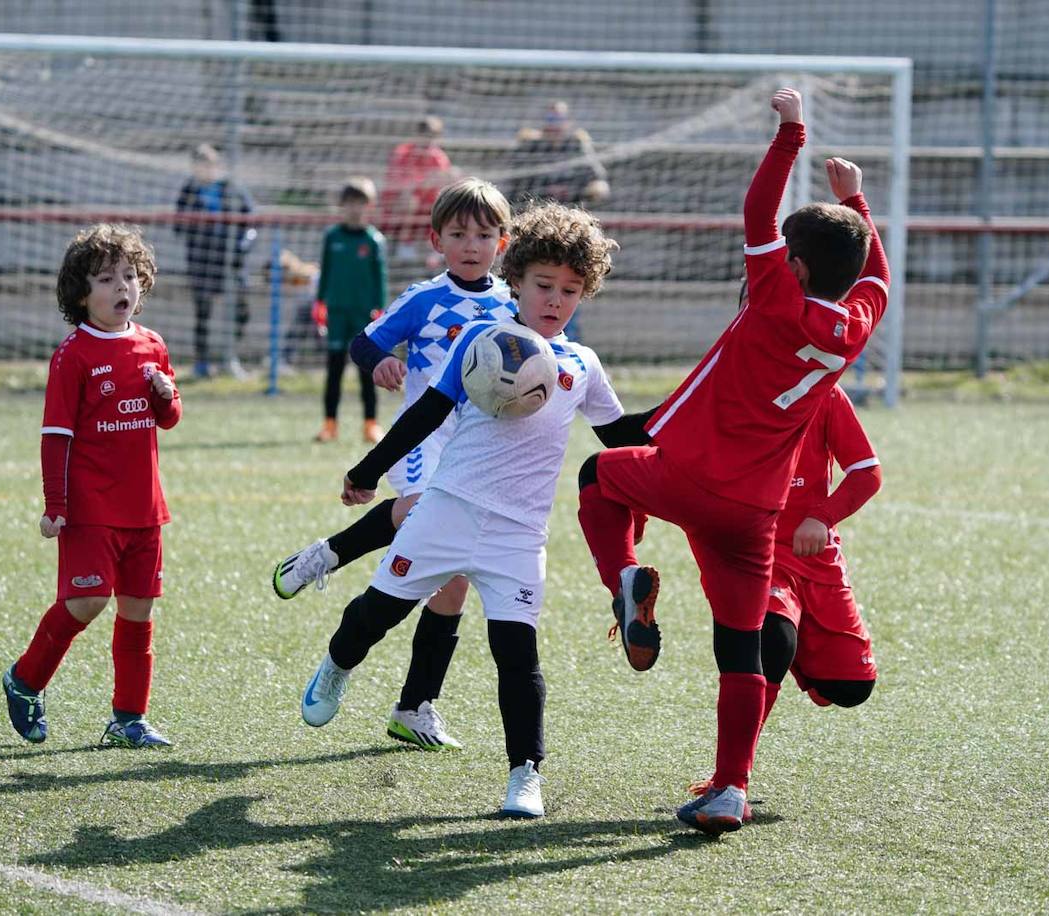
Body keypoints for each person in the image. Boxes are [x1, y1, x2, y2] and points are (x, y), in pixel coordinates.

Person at [574, 87, 890, 834]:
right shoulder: (854, 328)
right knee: (741, 649)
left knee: (598, 478)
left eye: (786, 253)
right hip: (757, 512)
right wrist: (858, 206)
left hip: (685, 476)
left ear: (798, 268)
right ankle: (729, 788)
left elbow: (756, 215)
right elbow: (877, 276)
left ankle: (624, 579)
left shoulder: (777, 300)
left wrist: (791, 133)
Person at [299, 202, 652, 819]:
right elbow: (427, 413)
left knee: (517, 655)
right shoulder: (483, 340)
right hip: (446, 511)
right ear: (515, 278)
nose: (555, 300)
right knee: (372, 617)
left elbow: (622, 433)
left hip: (518, 536)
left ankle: (525, 776)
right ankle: (335, 666)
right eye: (544, 285)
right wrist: (367, 470)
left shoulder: (581, 364)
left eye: (570, 291)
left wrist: (696, 419)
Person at [273, 177, 516, 751]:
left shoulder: (512, 303)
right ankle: (329, 558)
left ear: (502, 243)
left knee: (452, 582)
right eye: (458, 234)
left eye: (483, 235)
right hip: (419, 442)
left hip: (476, 451)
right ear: (437, 239)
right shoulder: (424, 298)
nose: (471, 245)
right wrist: (382, 359)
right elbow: (361, 342)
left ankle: (414, 707)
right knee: (419, 512)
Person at [1, 224, 182, 749]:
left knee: (138, 608)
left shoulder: (152, 345)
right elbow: (55, 437)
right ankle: (24, 679)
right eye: (106, 278)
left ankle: (128, 718)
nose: (122, 286)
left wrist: (166, 396)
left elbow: (168, 419)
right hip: (90, 506)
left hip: (144, 506)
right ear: (82, 294)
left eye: (130, 275)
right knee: (88, 601)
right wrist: (55, 505)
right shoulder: (73, 355)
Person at [687, 383, 883, 822]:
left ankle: (796, 646)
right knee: (772, 641)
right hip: (755, 549)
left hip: (815, 554)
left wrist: (822, 516)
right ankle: (730, 782)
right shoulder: (732, 391)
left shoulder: (826, 394)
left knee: (851, 687)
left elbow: (867, 472)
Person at [504, 100, 610, 342]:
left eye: (559, 120)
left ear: (567, 123)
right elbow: (514, 188)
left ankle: (566, 351)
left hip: (569, 239)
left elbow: (599, 182)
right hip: (536, 239)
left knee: (565, 294)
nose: (554, 126)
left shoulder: (576, 146)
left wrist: (594, 190)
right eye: (550, 120)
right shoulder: (530, 148)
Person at [313, 176, 388, 444]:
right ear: (342, 206)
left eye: (361, 203)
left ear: (370, 207)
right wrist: (320, 303)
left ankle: (371, 425)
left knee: (366, 371)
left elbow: (380, 279)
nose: (355, 209)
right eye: (350, 203)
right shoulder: (332, 237)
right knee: (334, 370)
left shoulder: (374, 240)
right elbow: (325, 273)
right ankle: (329, 424)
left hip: (363, 315)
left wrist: (380, 310)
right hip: (337, 312)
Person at [174, 143, 257, 379]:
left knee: (241, 311)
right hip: (203, 263)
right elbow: (178, 225)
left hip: (231, 263)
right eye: (200, 163)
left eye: (210, 163)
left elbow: (251, 221)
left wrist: (241, 248)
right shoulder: (189, 191)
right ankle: (202, 363)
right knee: (203, 314)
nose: (206, 168)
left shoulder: (231, 189)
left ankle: (229, 358)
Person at [383, 116, 457, 263]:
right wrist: (424, 182)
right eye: (425, 135)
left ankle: (436, 245)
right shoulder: (403, 153)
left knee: (447, 202)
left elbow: (443, 181)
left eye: (432, 137)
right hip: (399, 201)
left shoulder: (439, 157)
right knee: (411, 200)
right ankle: (406, 243)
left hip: (428, 201)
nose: (428, 141)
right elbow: (399, 184)